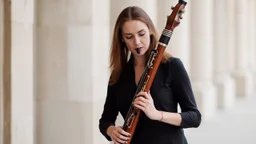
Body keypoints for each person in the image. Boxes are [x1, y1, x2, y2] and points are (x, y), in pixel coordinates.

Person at [99, 5, 201, 144]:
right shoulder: (119, 74)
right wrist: (112, 131)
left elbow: (194, 117)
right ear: (122, 38)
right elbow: (105, 120)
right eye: (129, 37)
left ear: (150, 31)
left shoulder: (172, 66)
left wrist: (156, 114)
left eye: (141, 34)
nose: (137, 42)